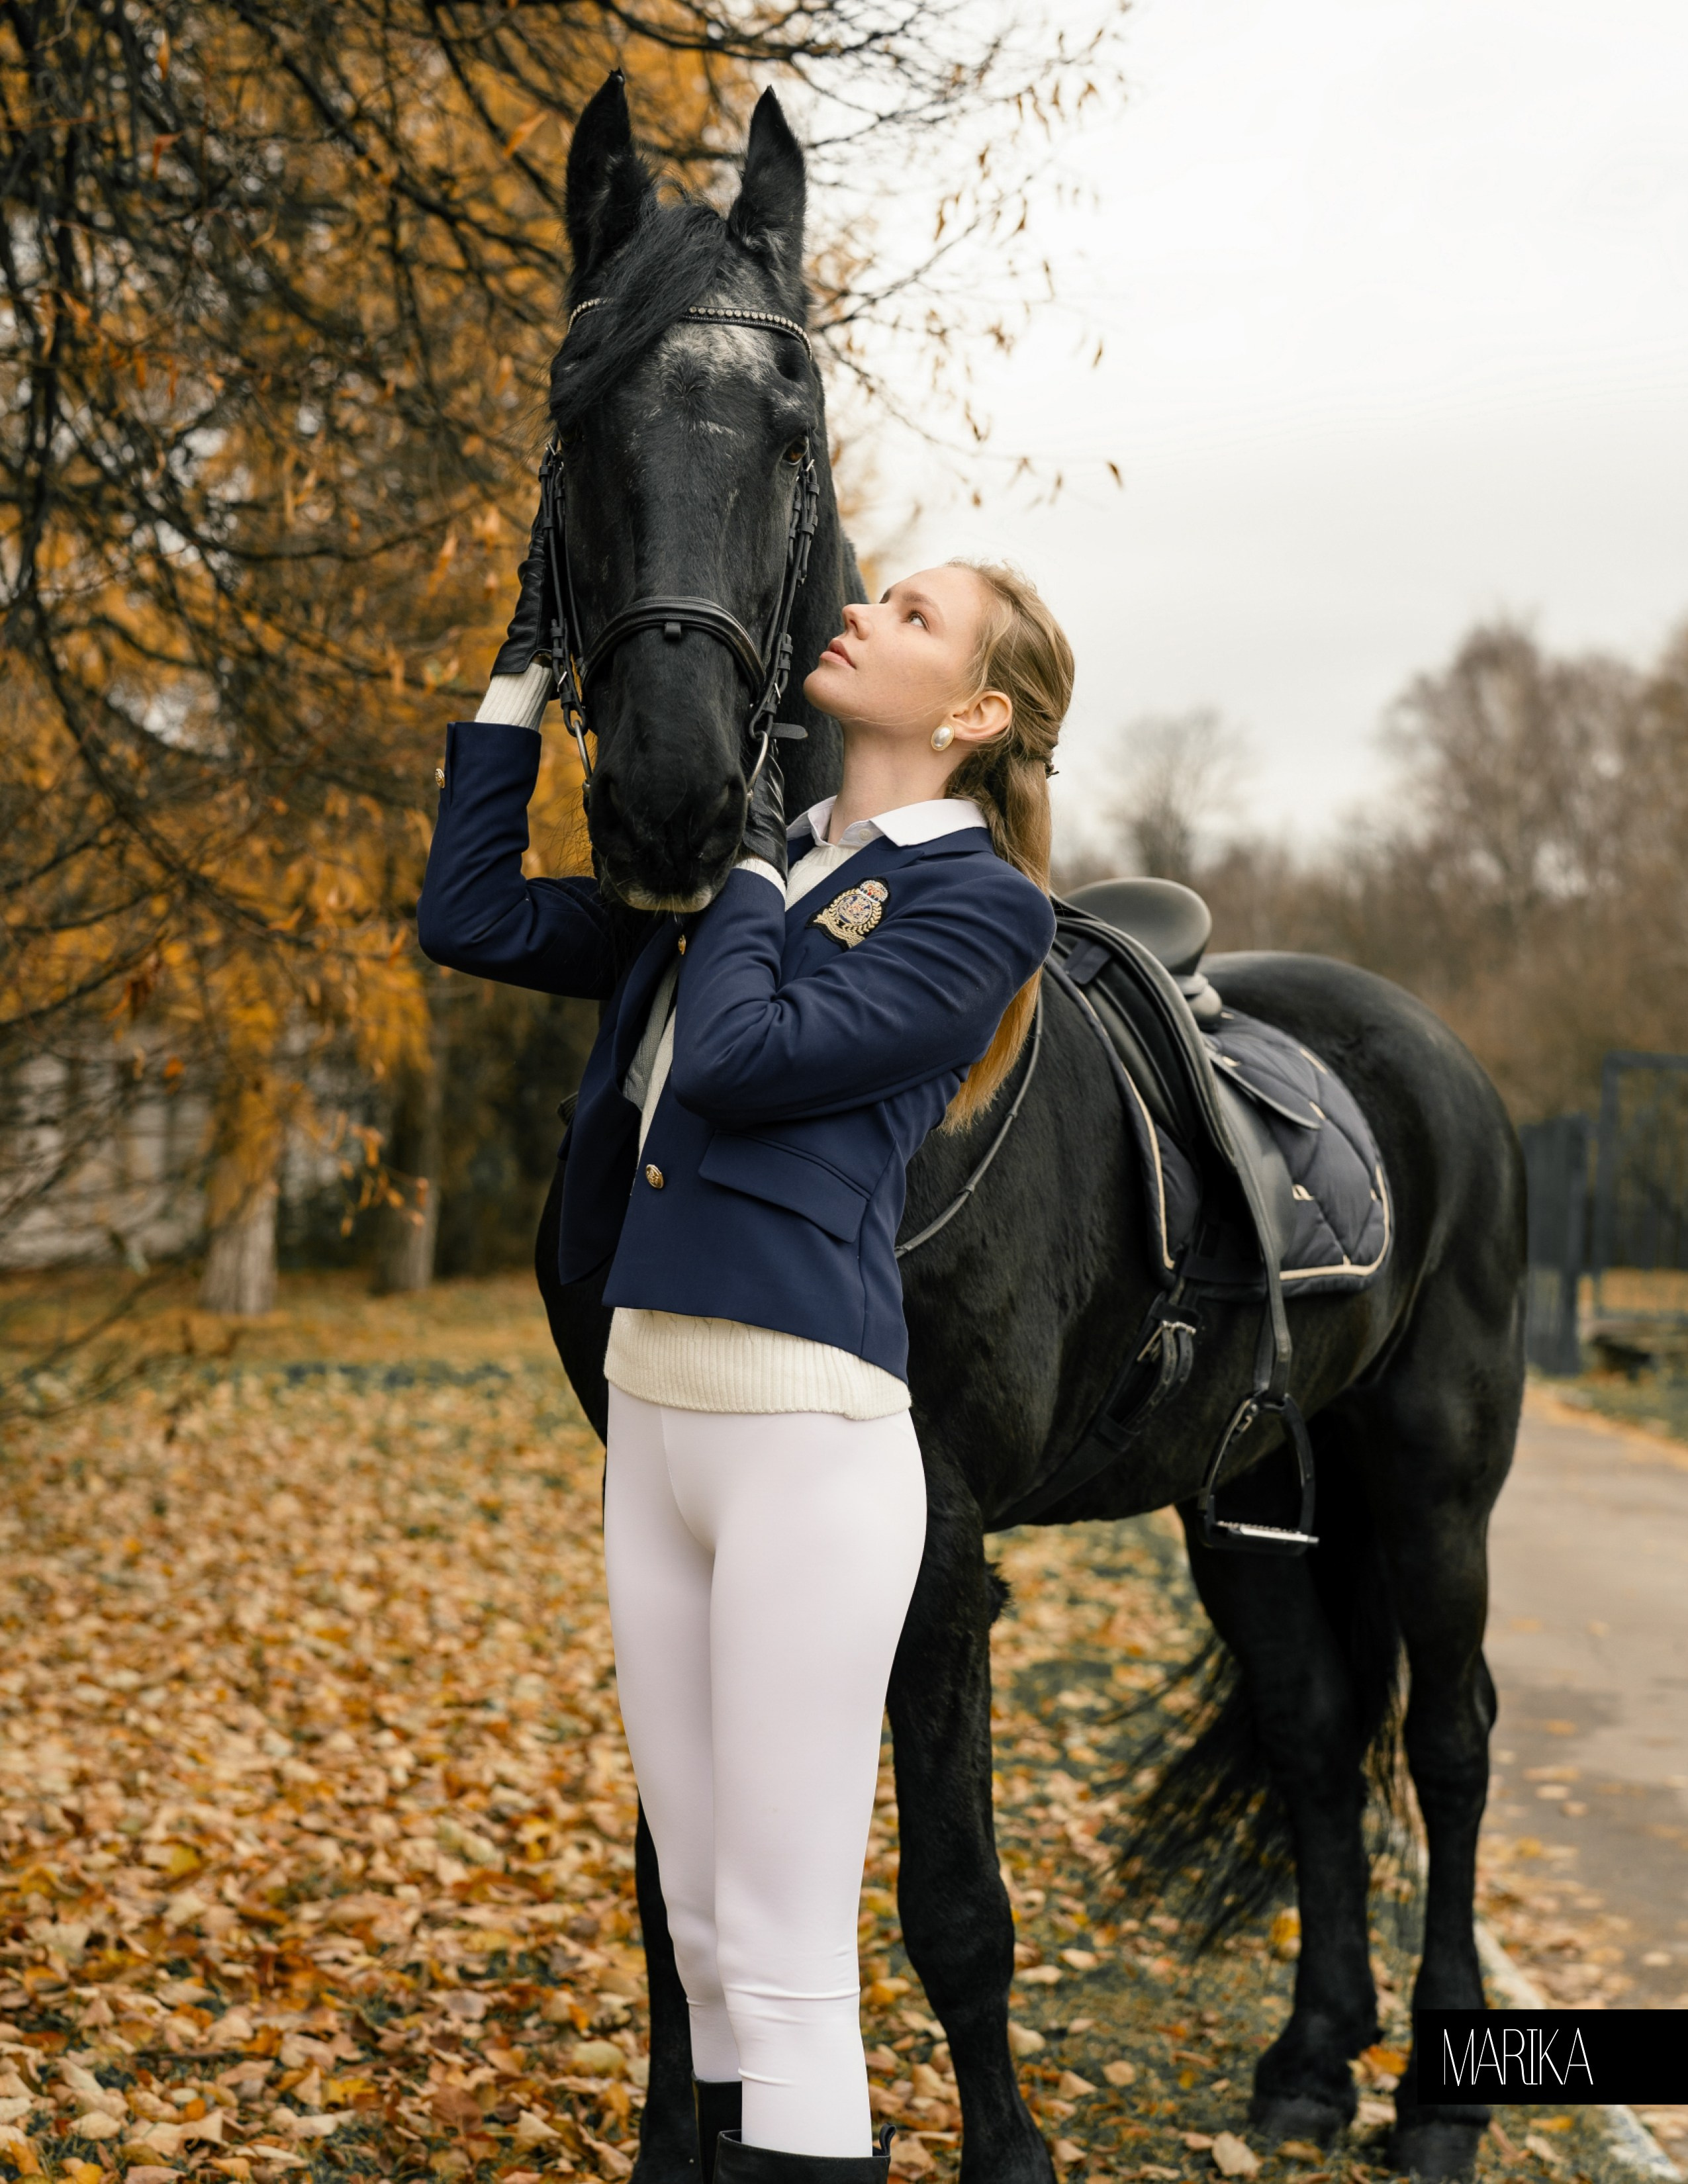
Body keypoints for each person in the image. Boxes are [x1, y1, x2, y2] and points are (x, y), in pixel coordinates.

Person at [418, 528, 1069, 2184]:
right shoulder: (759, 866)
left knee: (783, 1967)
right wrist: (519, 675)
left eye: (911, 613)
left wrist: (757, 877)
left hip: (804, 1443)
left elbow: (744, 1056)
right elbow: (471, 913)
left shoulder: (976, 907)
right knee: (703, 1934)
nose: (862, 610)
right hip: (659, 1428)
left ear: (977, 713)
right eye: (878, 592)